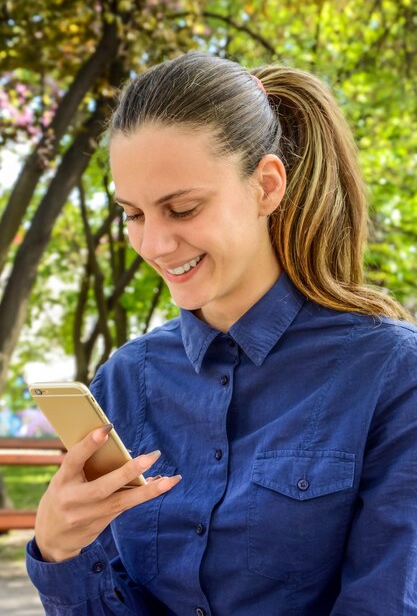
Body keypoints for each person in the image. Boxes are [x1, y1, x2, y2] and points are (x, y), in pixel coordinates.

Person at [26, 51, 417, 615]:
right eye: (133, 215)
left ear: (266, 186)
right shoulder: (123, 382)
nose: (154, 245)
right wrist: (60, 552)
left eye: (181, 209)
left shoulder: (389, 375)